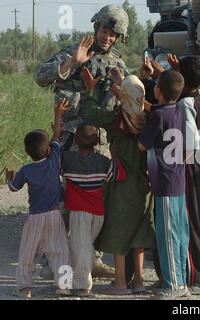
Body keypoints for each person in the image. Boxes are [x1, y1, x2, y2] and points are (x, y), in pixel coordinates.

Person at [34, 4, 130, 278]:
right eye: (104, 30)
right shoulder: (73, 51)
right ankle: (51, 259)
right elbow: (40, 76)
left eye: (113, 34)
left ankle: (92, 257)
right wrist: (73, 62)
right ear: (95, 27)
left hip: (96, 141)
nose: (106, 37)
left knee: (96, 201)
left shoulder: (117, 63)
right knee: (63, 199)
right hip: (67, 138)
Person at [81, 67, 155, 295]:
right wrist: (125, 88)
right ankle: (140, 281)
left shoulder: (116, 120)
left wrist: (90, 90)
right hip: (144, 187)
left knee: (119, 233)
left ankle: (120, 282)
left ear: (122, 98)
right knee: (138, 235)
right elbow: (137, 101)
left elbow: (91, 112)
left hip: (121, 186)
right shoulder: (150, 120)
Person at [5, 99, 71, 298]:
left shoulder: (26, 170)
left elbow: (13, 188)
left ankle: (25, 288)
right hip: (53, 215)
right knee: (60, 252)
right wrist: (58, 114)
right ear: (49, 150)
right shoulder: (52, 161)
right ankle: (65, 286)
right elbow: (57, 136)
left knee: (28, 252)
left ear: (26, 152)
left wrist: (9, 178)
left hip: (34, 218)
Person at [138, 69, 190, 300]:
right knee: (180, 234)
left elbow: (142, 145)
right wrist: (149, 106)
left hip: (165, 182)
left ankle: (173, 285)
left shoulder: (158, 117)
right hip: (178, 179)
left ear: (158, 90)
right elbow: (160, 111)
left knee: (167, 235)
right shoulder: (178, 110)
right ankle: (182, 280)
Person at [61, 123, 126, 296]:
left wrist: (59, 135)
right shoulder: (103, 162)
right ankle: (79, 279)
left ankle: (83, 285)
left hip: (78, 211)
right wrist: (114, 156)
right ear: (97, 141)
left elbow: (54, 159)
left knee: (80, 246)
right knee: (86, 245)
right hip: (98, 213)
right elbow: (120, 175)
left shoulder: (68, 160)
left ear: (75, 140)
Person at [168, 54, 200, 295]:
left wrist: (180, 163)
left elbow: (191, 140)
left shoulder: (184, 104)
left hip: (192, 167)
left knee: (191, 223)